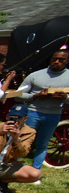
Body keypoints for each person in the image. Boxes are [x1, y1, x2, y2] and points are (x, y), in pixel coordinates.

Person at [14, 46, 69, 174]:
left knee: (43, 144)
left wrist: (65, 98)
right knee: (23, 140)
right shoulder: (35, 75)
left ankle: (35, 171)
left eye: (61, 60)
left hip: (53, 114)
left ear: (67, 61)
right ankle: (14, 168)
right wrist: (35, 96)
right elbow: (17, 95)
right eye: (54, 59)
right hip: (32, 112)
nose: (56, 62)